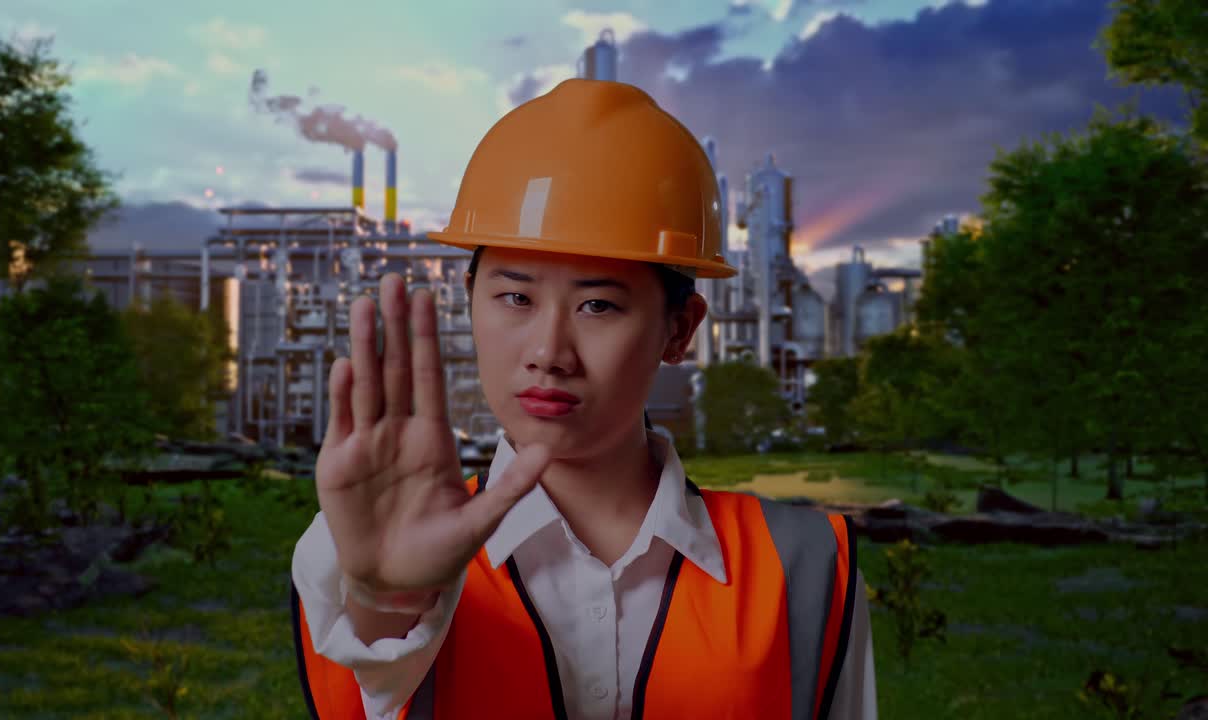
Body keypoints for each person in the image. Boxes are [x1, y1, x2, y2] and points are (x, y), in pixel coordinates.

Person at [291, 78, 877, 720]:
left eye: (598, 304)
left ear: (678, 329)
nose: (549, 351)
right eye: (515, 297)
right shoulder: (366, 547)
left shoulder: (805, 566)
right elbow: (368, 674)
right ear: (469, 298)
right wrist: (387, 600)